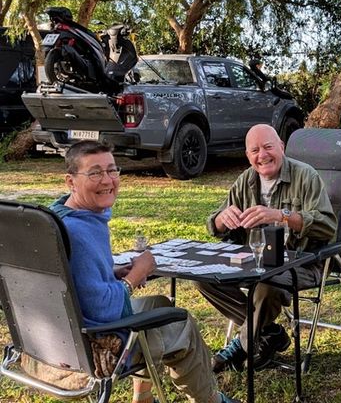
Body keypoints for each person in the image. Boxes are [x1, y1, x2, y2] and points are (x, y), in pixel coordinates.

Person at [49, 141, 239, 403]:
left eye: (112, 170)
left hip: (54, 341)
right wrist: (133, 277)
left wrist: (111, 271)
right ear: (70, 181)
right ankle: (210, 400)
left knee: (158, 304)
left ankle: (143, 398)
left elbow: (73, 278)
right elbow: (102, 309)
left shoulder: (56, 217)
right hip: (96, 348)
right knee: (182, 324)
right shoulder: (79, 231)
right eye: (95, 173)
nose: (107, 180)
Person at [195, 124, 337, 372]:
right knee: (203, 279)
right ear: (248, 155)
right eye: (255, 150)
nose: (262, 155)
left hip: (301, 261)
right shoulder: (246, 180)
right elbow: (215, 224)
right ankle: (269, 332)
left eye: (268, 147)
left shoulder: (306, 176)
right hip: (254, 261)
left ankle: (241, 345)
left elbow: (327, 226)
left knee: (267, 285)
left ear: (281, 147)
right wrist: (222, 219)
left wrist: (282, 215)